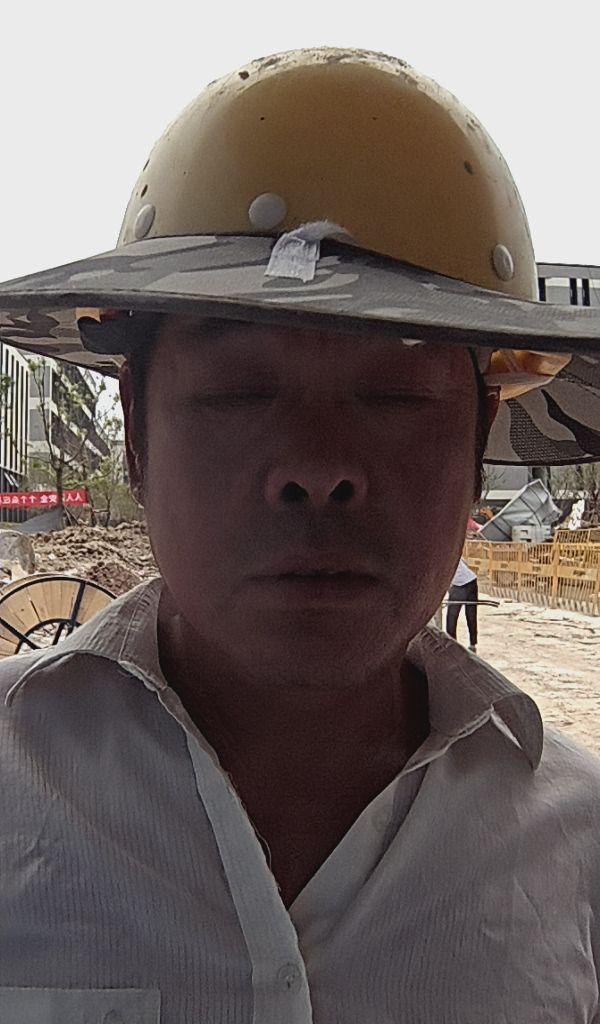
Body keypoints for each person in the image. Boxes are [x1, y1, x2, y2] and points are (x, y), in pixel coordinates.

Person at [1, 48, 600, 1023]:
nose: (317, 466)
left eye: (395, 394)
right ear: (138, 435)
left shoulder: (581, 853)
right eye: (240, 391)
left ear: (477, 440)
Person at [446, 556, 479, 651]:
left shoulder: (443, 558)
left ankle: (452, 646)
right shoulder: (452, 553)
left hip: (460, 586)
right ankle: (472, 644)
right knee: (471, 615)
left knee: (452, 617)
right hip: (471, 580)